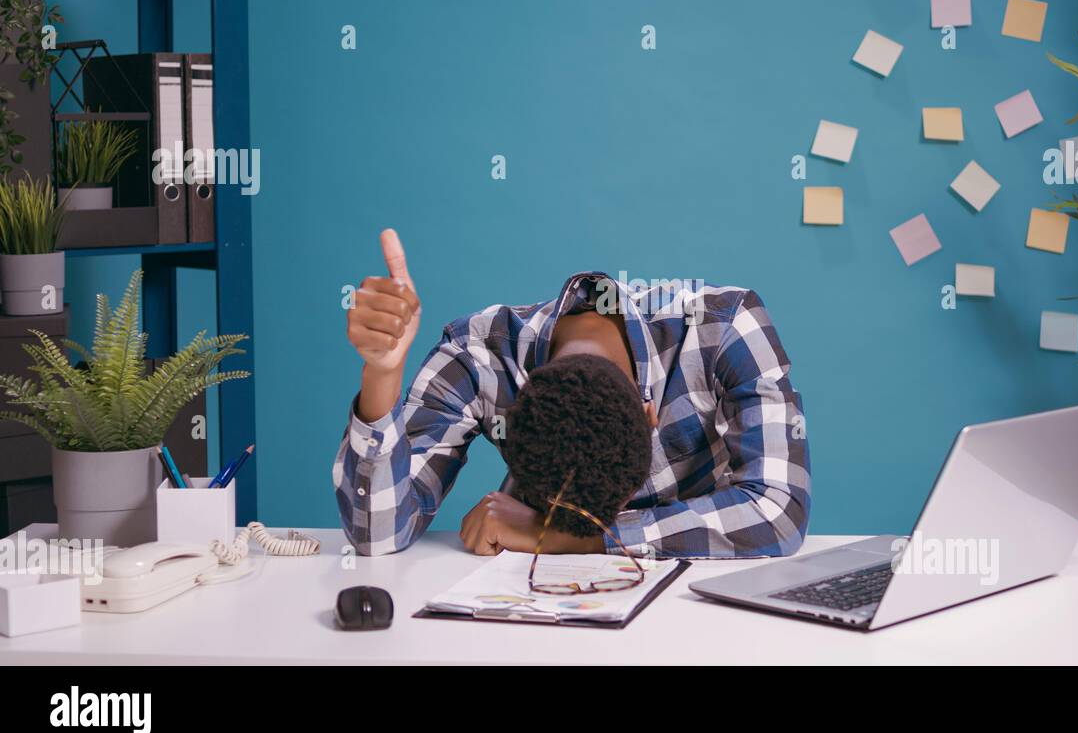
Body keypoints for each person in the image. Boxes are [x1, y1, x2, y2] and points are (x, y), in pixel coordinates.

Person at [332, 229, 811, 558]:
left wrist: (565, 537)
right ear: (514, 416)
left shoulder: (724, 328)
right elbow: (378, 536)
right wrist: (381, 375)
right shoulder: (475, 353)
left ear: (650, 415)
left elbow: (778, 512)